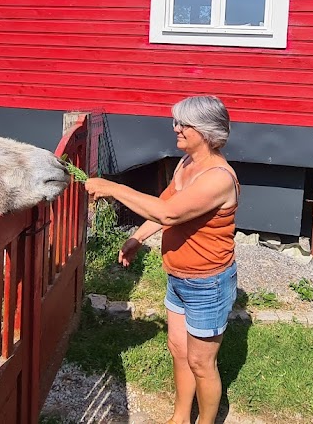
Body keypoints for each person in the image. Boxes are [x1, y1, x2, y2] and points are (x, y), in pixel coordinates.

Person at [83, 95, 239, 424]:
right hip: (179, 276)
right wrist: (137, 238)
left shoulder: (218, 178)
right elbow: (164, 207)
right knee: (179, 352)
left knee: (200, 363)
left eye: (184, 124)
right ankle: (180, 417)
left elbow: (169, 213)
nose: (176, 128)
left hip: (207, 282)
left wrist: (114, 188)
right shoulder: (187, 164)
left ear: (207, 132)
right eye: (176, 121)